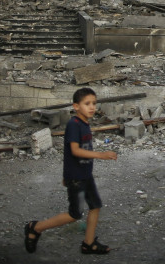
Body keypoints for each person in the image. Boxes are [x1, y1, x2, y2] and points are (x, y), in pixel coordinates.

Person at [24, 87, 118, 255]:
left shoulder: (84, 123)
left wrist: (65, 174)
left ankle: (88, 244)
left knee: (95, 206)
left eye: (94, 103)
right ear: (76, 106)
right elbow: (74, 151)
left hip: (85, 176)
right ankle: (35, 227)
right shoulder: (74, 125)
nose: (91, 107)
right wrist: (100, 155)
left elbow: (68, 155)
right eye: (87, 103)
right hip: (77, 178)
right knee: (74, 214)